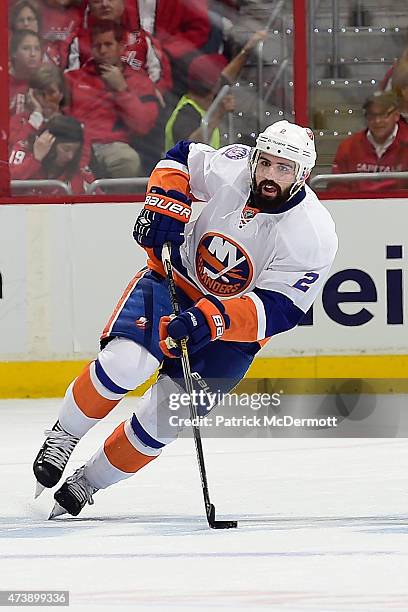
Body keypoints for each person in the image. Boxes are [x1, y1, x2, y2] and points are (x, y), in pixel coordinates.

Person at [32, 120, 338, 518]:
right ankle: (64, 436)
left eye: (284, 169)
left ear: (303, 174)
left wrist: (210, 319)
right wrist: (166, 205)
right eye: (266, 163)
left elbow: (281, 309)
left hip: (231, 331)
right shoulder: (233, 165)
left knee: (164, 417)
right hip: (174, 281)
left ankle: (88, 482)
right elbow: (179, 158)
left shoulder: (314, 233)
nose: (269, 176)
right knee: (126, 364)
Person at [65, 20, 160, 179]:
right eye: (97, 46)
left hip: (112, 146)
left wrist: (122, 89)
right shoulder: (73, 79)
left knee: (127, 161)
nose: (102, 50)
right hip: (77, 145)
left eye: (108, 44)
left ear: (122, 47)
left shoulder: (140, 82)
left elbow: (143, 126)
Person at [165, 31, 267, 151]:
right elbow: (190, 149)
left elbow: (227, 75)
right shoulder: (186, 114)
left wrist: (247, 50)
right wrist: (218, 114)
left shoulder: (201, 97)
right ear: (213, 86)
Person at [331, 91, 408, 192]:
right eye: (371, 115)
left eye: (384, 114)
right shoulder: (348, 147)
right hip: (356, 205)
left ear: (397, 115)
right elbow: (337, 188)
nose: (377, 121)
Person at [9, 114, 94, 195]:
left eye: (75, 150)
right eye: (66, 149)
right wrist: (35, 159)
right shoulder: (23, 149)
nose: (70, 156)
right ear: (49, 143)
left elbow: (98, 199)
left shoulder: (77, 168)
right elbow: (5, 185)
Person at [9, 30, 44, 115]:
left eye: (37, 49)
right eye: (26, 48)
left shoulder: (45, 82)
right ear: (14, 53)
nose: (33, 54)